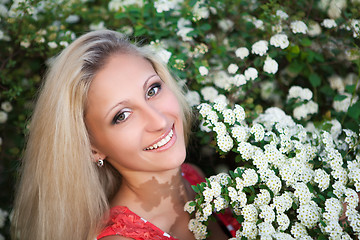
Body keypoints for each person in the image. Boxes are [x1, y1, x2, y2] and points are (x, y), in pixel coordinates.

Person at [11, 29, 239, 240]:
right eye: (122, 115)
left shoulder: (193, 178)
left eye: (152, 90)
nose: (159, 121)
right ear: (91, 147)